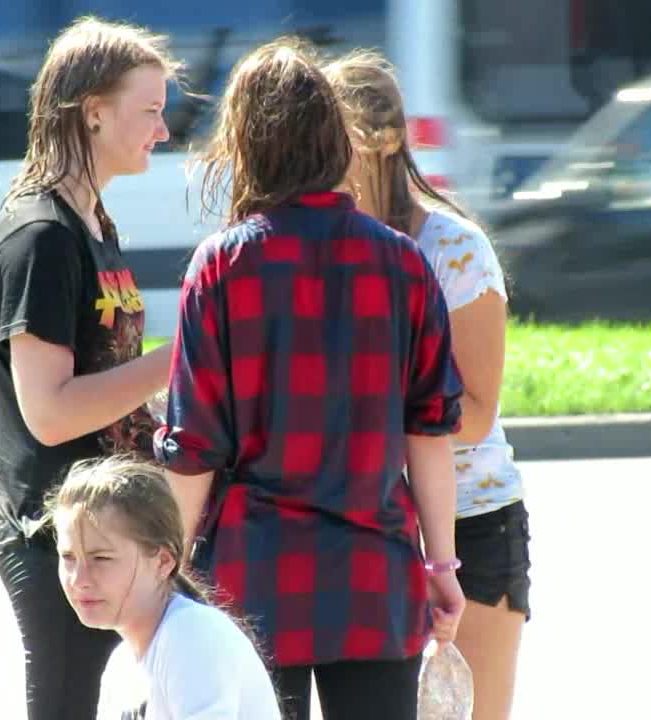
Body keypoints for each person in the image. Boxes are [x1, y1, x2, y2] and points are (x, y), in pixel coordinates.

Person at [153, 38, 467, 720]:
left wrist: (163, 575)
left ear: (246, 145)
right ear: (336, 139)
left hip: (253, 579)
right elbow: (430, 432)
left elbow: (194, 447)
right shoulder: (403, 263)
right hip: (376, 576)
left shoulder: (221, 267)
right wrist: (441, 567)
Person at [0, 16, 181, 720]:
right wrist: (180, 359)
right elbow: (51, 412)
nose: (164, 130)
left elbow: (107, 371)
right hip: (59, 537)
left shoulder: (92, 222)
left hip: (116, 522)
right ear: (93, 112)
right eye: (150, 110)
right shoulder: (42, 237)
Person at [324, 50, 532, 720]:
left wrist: (359, 409)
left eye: (328, 139)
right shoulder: (319, 247)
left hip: (472, 520)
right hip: (358, 523)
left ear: (378, 143)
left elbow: (476, 413)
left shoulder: (454, 249)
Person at [45, 456, 282, 720]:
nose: (79, 579)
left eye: (101, 558)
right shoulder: (121, 665)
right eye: (68, 557)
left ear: (163, 561)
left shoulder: (192, 635)